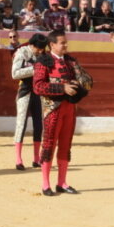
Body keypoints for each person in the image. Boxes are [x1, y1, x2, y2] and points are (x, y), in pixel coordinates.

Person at [31, 29, 87, 195]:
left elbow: (85, 80)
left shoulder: (71, 60)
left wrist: (81, 84)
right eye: (62, 43)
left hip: (69, 107)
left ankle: (62, 183)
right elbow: (38, 86)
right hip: (52, 108)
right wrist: (62, 88)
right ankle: (45, 184)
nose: (66, 45)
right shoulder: (43, 61)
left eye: (66, 42)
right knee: (49, 144)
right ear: (52, 45)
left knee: (65, 144)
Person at [10, 33, 47, 169]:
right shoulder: (22, 53)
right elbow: (15, 74)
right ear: (32, 45)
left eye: (42, 48)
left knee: (39, 125)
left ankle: (36, 158)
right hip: (25, 91)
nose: (40, 51)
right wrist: (35, 69)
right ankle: (18, 159)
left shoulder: (42, 55)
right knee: (21, 124)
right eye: (38, 48)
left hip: (38, 92)